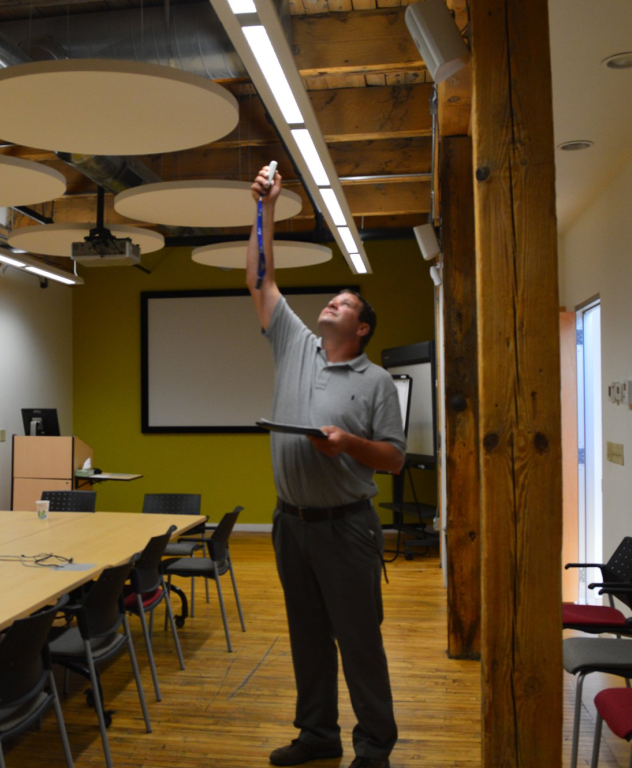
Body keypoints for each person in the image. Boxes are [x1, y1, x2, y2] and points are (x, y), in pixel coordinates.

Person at [247, 166, 406, 768]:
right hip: (292, 524)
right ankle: (317, 736)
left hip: (347, 527)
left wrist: (349, 445)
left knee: (359, 643)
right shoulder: (294, 343)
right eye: (331, 299)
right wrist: (264, 210)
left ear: (360, 328)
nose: (331, 302)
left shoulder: (377, 382)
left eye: (344, 302)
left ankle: (375, 747)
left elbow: (393, 458)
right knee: (308, 641)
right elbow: (261, 280)